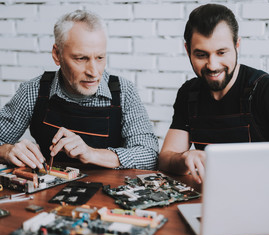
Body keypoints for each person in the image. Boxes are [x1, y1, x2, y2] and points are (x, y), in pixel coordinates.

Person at [159, 4, 269, 183]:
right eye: (202, 55)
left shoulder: (268, 90)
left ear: (237, 45)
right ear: (188, 51)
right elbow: (165, 159)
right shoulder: (189, 93)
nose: (213, 65)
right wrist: (184, 158)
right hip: (215, 196)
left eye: (221, 52)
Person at [0, 10, 158, 170]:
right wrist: (6, 151)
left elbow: (149, 156)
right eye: (81, 58)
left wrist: (91, 154)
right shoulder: (33, 91)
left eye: (100, 58)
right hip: (48, 191)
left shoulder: (124, 92)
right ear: (57, 54)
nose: (94, 72)